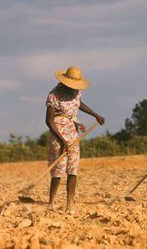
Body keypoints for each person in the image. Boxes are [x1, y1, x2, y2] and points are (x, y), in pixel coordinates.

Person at [46, 66, 105, 214]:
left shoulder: (76, 92)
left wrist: (95, 114)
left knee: (72, 168)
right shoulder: (54, 95)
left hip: (72, 132)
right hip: (58, 133)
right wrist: (62, 140)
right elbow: (49, 121)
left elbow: (79, 103)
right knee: (59, 169)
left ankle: (69, 204)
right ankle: (51, 203)